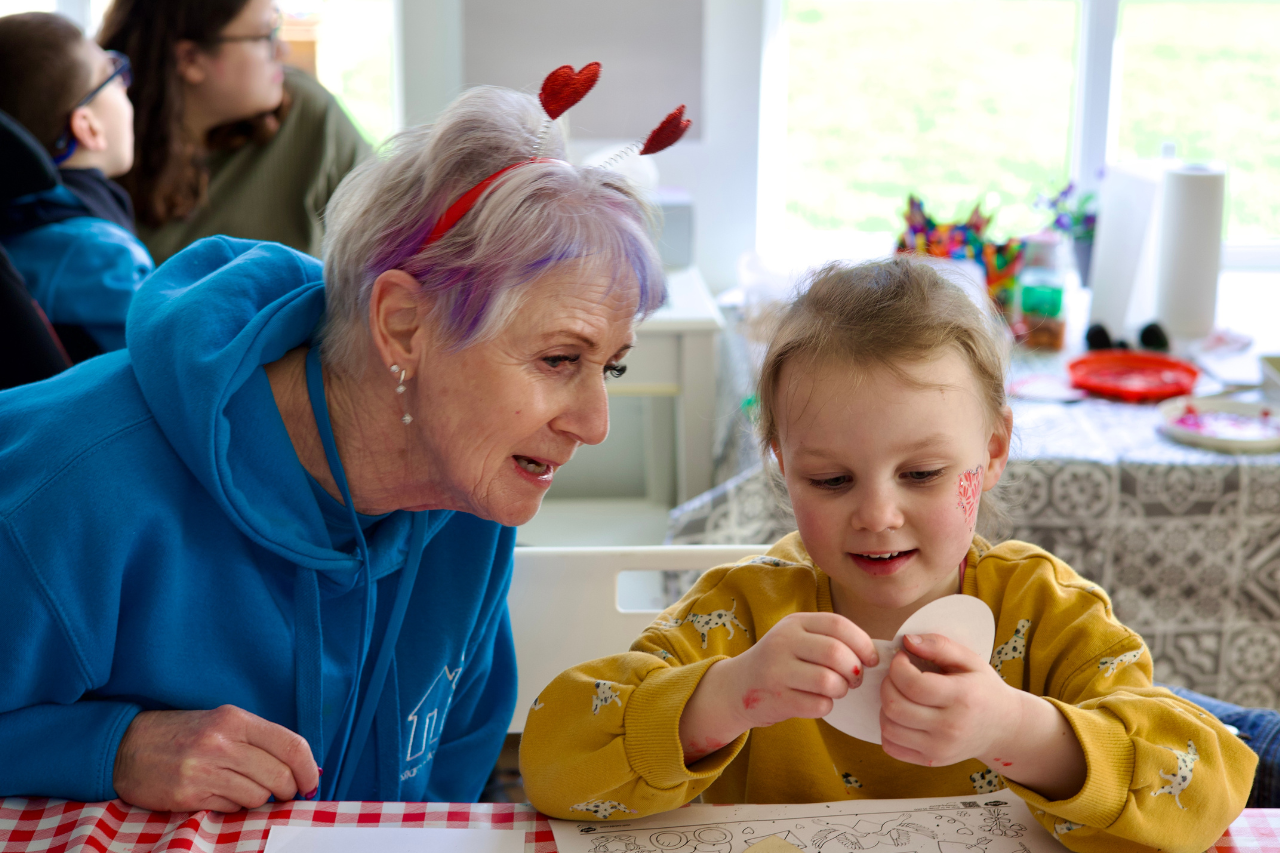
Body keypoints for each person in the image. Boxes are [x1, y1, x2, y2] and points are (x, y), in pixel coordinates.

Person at [0, 85, 663, 809]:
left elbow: (445, 783)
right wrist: (111, 750)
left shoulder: (469, 494)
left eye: (613, 364)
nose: (595, 423)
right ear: (405, 325)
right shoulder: (71, 489)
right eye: (560, 359)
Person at [519, 257, 1257, 852]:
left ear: (992, 451)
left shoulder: (1045, 610)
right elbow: (551, 760)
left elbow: (1203, 788)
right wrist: (724, 694)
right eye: (830, 479)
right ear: (780, 463)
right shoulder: (742, 613)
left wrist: (1016, 728)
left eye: (923, 474)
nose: (876, 514)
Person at [98, 0, 370, 265]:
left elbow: (394, 246)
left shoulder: (311, 117)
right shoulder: (96, 151)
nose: (282, 50)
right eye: (266, 35)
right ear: (190, 59)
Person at [0, 12, 153, 355]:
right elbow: (170, 359)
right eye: (114, 75)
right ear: (88, 127)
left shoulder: (16, 225)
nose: (127, 86)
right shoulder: (99, 254)